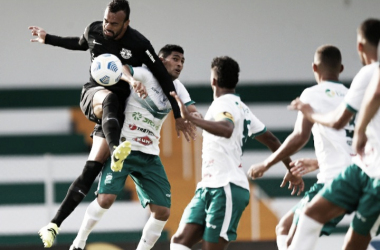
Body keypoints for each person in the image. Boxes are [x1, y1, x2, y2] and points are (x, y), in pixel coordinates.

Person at [32, 1, 194, 247]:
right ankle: (117, 149)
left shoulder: (139, 43)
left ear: (126, 23)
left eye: (114, 24)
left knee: (92, 168)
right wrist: (48, 38)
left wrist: (179, 115)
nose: (107, 27)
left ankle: (54, 225)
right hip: (94, 95)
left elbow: (162, 76)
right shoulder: (95, 30)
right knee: (108, 97)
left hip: (115, 115)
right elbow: (78, 43)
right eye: (106, 20)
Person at [69, 44, 199, 250]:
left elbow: (192, 109)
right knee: (106, 199)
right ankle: (79, 241)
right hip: (124, 148)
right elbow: (123, 68)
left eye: (182, 61)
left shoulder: (178, 87)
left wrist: (198, 118)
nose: (180, 64)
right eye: (175, 59)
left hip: (149, 154)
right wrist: (131, 81)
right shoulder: (146, 75)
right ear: (161, 59)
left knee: (163, 211)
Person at [169, 56, 304, 250]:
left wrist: (191, 118)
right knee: (179, 242)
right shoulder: (242, 108)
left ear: (213, 81)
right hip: (208, 186)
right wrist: (291, 168)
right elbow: (272, 140)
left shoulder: (224, 105)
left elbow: (226, 128)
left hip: (227, 187)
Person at [247, 45, 354, 249]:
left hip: (331, 185)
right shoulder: (352, 98)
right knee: (284, 228)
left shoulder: (311, 94)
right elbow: (354, 147)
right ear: (341, 69)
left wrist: (266, 164)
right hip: (352, 183)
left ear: (314, 68)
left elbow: (300, 136)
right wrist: (317, 162)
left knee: (293, 243)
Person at [288, 18, 380, 250]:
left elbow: (338, 121)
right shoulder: (369, 76)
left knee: (349, 242)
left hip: (376, 177)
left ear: (360, 46)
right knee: (309, 216)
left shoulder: (368, 73)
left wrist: (310, 112)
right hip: (361, 168)